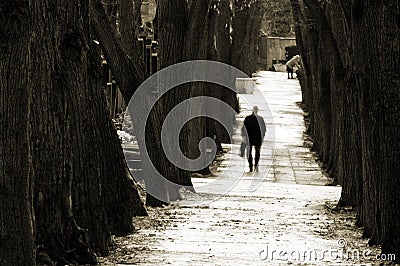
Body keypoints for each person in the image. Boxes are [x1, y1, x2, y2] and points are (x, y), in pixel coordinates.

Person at [242, 106, 266, 172]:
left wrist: (244, 136)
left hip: (251, 137)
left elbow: (243, 128)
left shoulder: (248, 118)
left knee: (250, 152)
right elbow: (263, 129)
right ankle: (254, 166)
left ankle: (252, 166)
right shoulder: (260, 119)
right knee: (255, 152)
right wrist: (262, 136)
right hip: (256, 138)